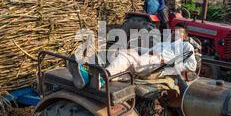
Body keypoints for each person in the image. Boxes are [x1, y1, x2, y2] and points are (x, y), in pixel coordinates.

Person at [68, 24, 197, 89]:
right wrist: (134, 48)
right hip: (148, 60)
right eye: (174, 30)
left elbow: (192, 65)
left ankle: (103, 76)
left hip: (159, 65)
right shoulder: (164, 43)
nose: (175, 33)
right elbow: (148, 50)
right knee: (122, 57)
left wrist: (170, 64)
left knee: (127, 58)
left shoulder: (186, 46)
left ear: (184, 36)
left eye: (179, 32)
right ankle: (88, 79)